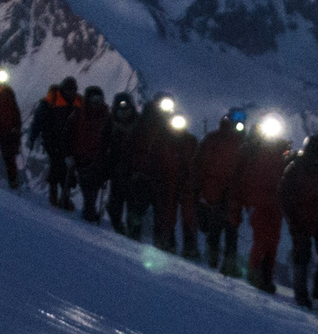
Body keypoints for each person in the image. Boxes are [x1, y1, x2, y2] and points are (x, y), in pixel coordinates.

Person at [280, 135, 318, 309]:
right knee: (303, 254)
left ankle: (316, 290)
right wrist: (292, 220)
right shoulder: (299, 166)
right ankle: (303, 294)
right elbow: (285, 195)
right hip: (302, 218)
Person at [236, 116, 292, 293]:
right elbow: (244, 175)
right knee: (262, 239)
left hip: (272, 203)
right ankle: (255, 273)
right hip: (260, 201)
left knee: (272, 240)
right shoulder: (252, 151)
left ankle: (265, 275)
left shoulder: (281, 153)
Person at [193, 111, 246, 273]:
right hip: (217, 191)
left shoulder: (241, 143)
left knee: (229, 228)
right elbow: (199, 164)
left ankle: (223, 263)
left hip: (228, 192)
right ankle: (217, 262)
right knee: (220, 227)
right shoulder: (217, 139)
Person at [149, 103, 196, 255]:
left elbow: (197, 162)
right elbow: (154, 159)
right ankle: (167, 241)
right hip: (166, 180)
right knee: (167, 211)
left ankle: (190, 246)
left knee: (189, 214)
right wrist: (156, 177)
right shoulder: (161, 139)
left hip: (186, 182)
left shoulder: (190, 141)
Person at [30, 77, 81, 209]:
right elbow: (38, 120)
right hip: (52, 140)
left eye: (73, 90)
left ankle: (62, 197)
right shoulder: (52, 101)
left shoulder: (77, 102)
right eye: (68, 90)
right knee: (58, 165)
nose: (71, 93)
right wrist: (33, 135)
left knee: (66, 168)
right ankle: (58, 197)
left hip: (69, 142)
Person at [105, 93, 148, 237]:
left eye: (126, 109)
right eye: (121, 109)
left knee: (134, 208)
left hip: (134, 173)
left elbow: (146, 147)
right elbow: (103, 146)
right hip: (116, 171)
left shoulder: (140, 124)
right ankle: (119, 232)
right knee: (115, 207)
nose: (124, 112)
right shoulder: (110, 124)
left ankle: (133, 236)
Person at [72, 87, 112, 222]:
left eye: (99, 100)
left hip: (98, 160)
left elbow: (110, 139)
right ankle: (89, 211)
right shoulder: (79, 115)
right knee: (89, 187)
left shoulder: (106, 117)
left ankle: (89, 211)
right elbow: (69, 134)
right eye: (94, 99)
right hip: (82, 159)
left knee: (92, 187)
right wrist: (69, 154)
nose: (97, 103)